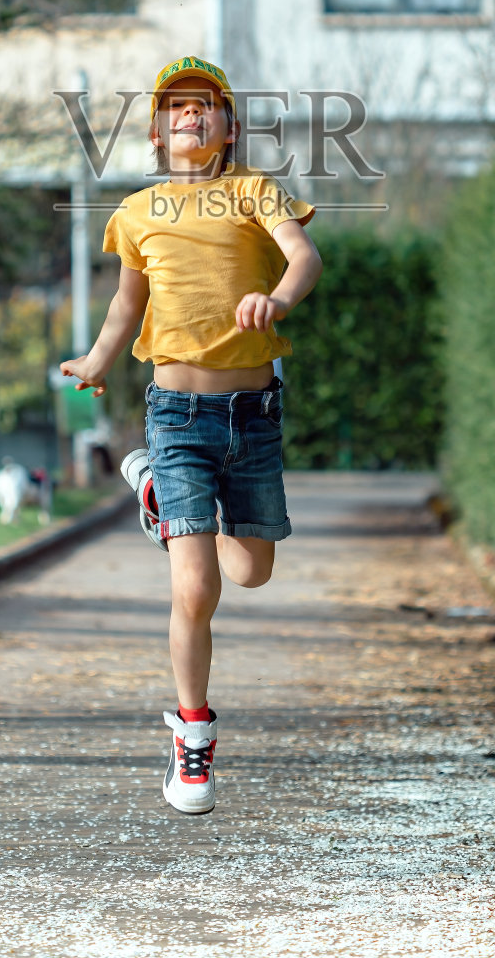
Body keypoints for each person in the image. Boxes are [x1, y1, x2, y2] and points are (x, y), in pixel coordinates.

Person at [59, 55, 321, 815]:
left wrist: (275, 297)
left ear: (230, 128)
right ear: (155, 131)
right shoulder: (137, 214)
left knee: (250, 573)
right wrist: (98, 359)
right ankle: (193, 736)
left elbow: (303, 254)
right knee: (197, 586)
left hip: (252, 419)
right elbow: (125, 306)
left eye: (206, 107)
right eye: (177, 109)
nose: (191, 117)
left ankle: (147, 491)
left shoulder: (253, 191)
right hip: (175, 417)